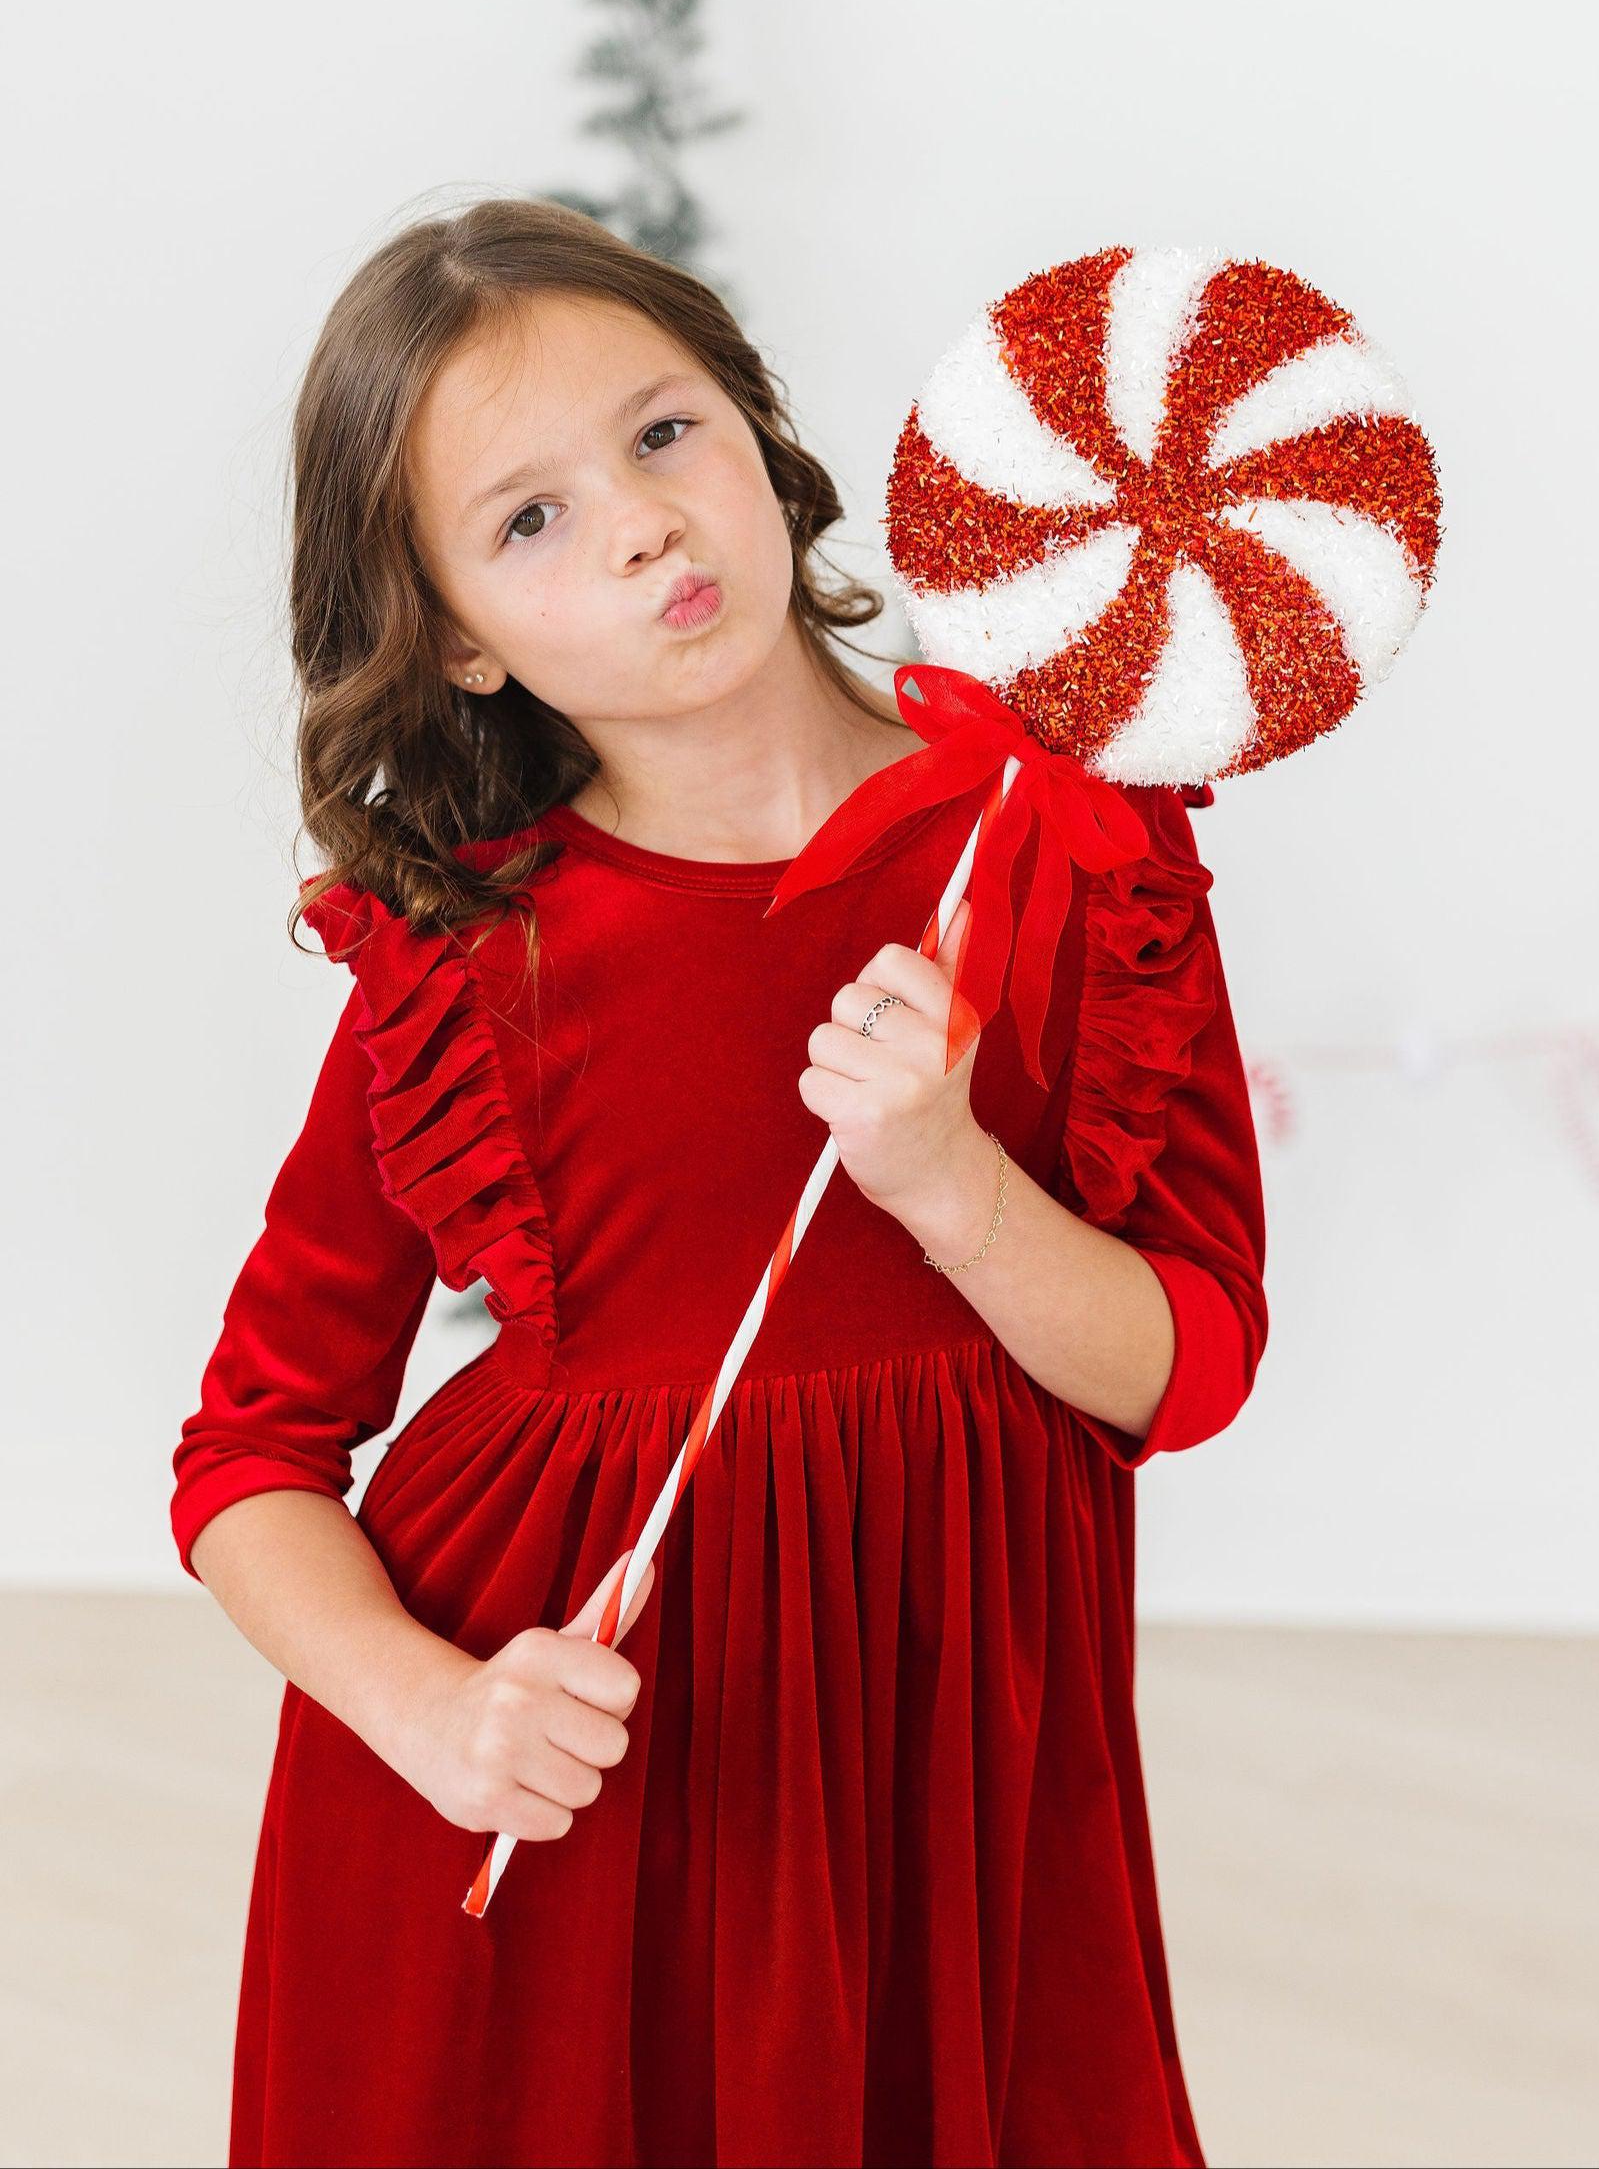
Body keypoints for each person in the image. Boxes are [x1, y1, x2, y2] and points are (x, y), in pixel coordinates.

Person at [171, 196, 1269, 2169]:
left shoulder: (1066, 833)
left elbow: (1180, 1370)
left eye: (663, 432)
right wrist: (433, 1715)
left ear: (758, 436)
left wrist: (952, 1189)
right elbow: (250, 1454)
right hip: (564, 1814)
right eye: (529, 518)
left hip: (950, 1804)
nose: (641, 526)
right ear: (456, 639)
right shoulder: (464, 954)